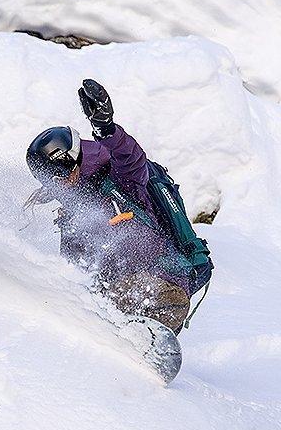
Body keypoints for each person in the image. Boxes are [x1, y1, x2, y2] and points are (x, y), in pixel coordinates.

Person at [25, 79, 196, 333]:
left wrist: (107, 129)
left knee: (135, 305)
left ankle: (144, 342)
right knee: (85, 310)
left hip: (162, 281)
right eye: (49, 181)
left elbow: (131, 158)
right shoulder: (73, 211)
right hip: (117, 291)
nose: (57, 186)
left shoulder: (120, 180)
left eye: (59, 176)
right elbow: (76, 270)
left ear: (73, 161)